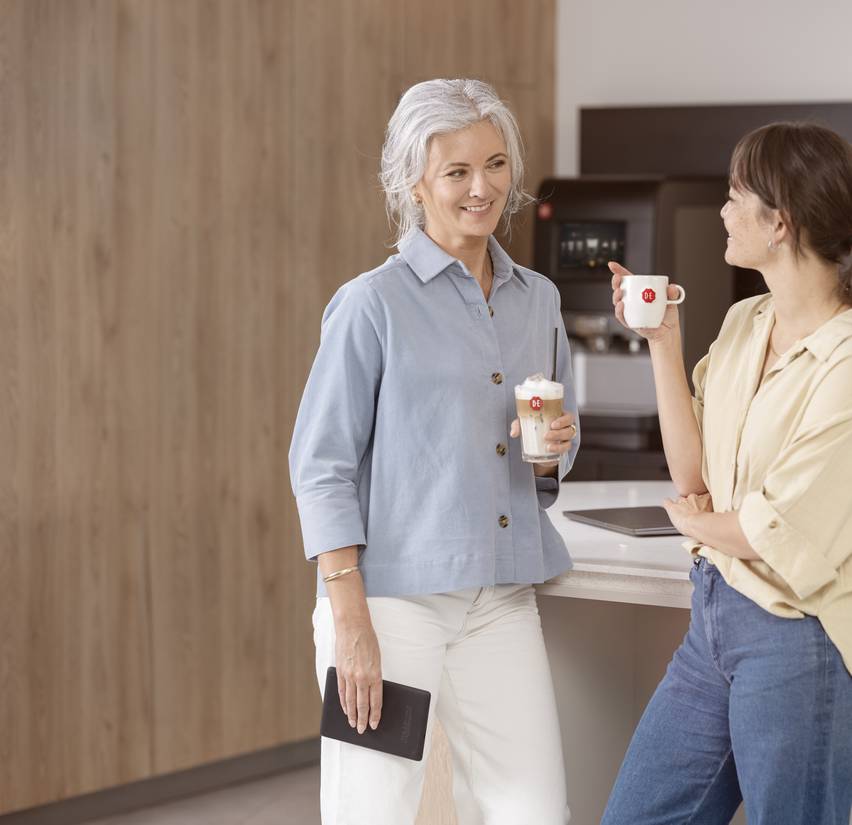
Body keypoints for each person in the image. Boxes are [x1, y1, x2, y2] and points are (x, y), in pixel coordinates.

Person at [601, 122, 852, 824]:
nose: (724, 211)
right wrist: (663, 341)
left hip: (800, 637)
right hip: (715, 616)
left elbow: (780, 530)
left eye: (735, 197)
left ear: (779, 223)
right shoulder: (745, 322)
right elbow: (693, 470)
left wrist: (699, 524)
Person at [289, 78, 578, 825]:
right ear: (414, 184)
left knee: (534, 812)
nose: (482, 188)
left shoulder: (538, 299)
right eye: (457, 171)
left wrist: (552, 451)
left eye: (495, 164)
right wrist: (350, 621)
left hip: (500, 598)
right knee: (373, 811)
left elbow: (545, 461)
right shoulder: (371, 304)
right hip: (390, 605)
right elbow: (321, 467)